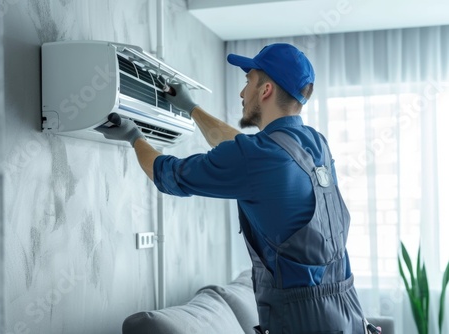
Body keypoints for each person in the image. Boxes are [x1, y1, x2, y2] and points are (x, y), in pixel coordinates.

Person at [97, 43, 373, 334]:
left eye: (248, 82)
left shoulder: (259, 156)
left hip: (304, 321)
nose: (243, 93)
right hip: (349, 313)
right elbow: (242, 149)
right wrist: (191, 108)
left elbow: (168, 174)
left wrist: (133, 136)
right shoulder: (315, 142)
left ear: (265, 90)